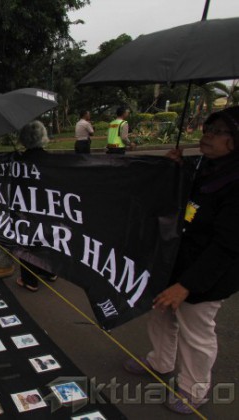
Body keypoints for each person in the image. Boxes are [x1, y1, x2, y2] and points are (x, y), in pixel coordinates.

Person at [123, 106, 239, 415]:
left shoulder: (235, 181)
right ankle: (160, 362)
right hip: (175, 260)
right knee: (161, 314)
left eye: (219, 132)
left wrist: (186, 286)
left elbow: (227, 246)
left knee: (195, 331)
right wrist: (172, 169)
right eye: (208, 129)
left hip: (207, 276)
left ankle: (193, 389)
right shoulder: (202, 165)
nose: (208, 136)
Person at [15, 121, 58, 292]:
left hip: (26, 209)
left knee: (28, 241)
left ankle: (29, 280)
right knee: (47, 239)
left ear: (23, 139)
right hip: (49, 208)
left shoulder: (18, 162)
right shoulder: (52, 160)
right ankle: (49, 271)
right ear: (43, 136)